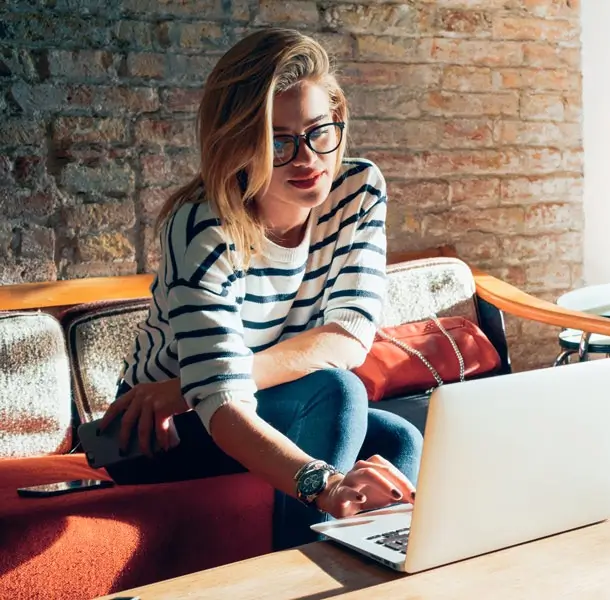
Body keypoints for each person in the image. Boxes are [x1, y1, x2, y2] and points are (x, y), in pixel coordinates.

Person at [97, 27, 421, 551]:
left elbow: (349, 337)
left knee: (399, 438)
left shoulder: (357, 191)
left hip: (213, 396)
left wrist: (189, 383)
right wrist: (329, 486)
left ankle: (378, 581)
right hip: (156, 430)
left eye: (320, 131)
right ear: (240, 143)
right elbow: (223, 405)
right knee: (338, 392)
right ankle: (296, 584)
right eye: (278, 140)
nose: (307, 157)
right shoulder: (203, 226)